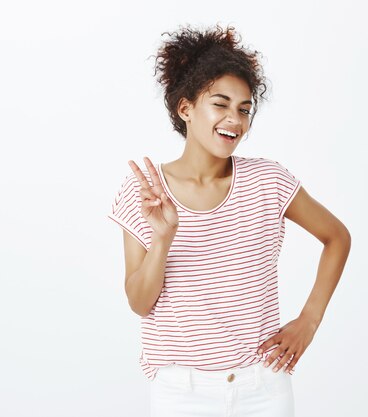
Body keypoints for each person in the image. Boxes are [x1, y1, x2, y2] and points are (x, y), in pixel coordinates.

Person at [106, 23, 351, 417]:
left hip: (264, 386)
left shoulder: (268, 181)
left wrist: (310, 319)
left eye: (244, 109)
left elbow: (336, 236)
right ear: (185, 108)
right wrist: (163, 238)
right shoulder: (147, 192)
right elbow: (139, 302)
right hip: (181, 394)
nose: (234, 120)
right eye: (219, 104)